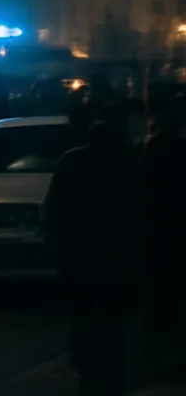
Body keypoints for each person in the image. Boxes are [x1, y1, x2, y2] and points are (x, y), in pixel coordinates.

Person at [43, 103, 145, 396]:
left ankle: (87, 373)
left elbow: (53, 210)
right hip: (119, 259)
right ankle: (113, 377)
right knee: (115, 325)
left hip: (81, 257)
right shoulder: (132, 162)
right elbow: (144, 210)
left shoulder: (72, 161)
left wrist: (58, 242)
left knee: (84, 319)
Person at [140, 95, 186, 384]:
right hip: (173, 234)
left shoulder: (150, 151)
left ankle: (157, 357)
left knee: (158, 301)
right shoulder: (177, 152)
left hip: (157, 236)